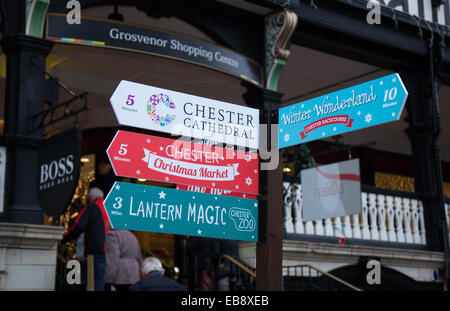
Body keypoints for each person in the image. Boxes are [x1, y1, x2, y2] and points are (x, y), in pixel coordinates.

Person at [61, 187, 110, 291]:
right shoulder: (109, 208)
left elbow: (78, 226)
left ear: (91, 198)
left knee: (86, 283)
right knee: (99, 285)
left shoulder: (91, 207)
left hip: (93, 252)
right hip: (108, 252)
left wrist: (63, 239)